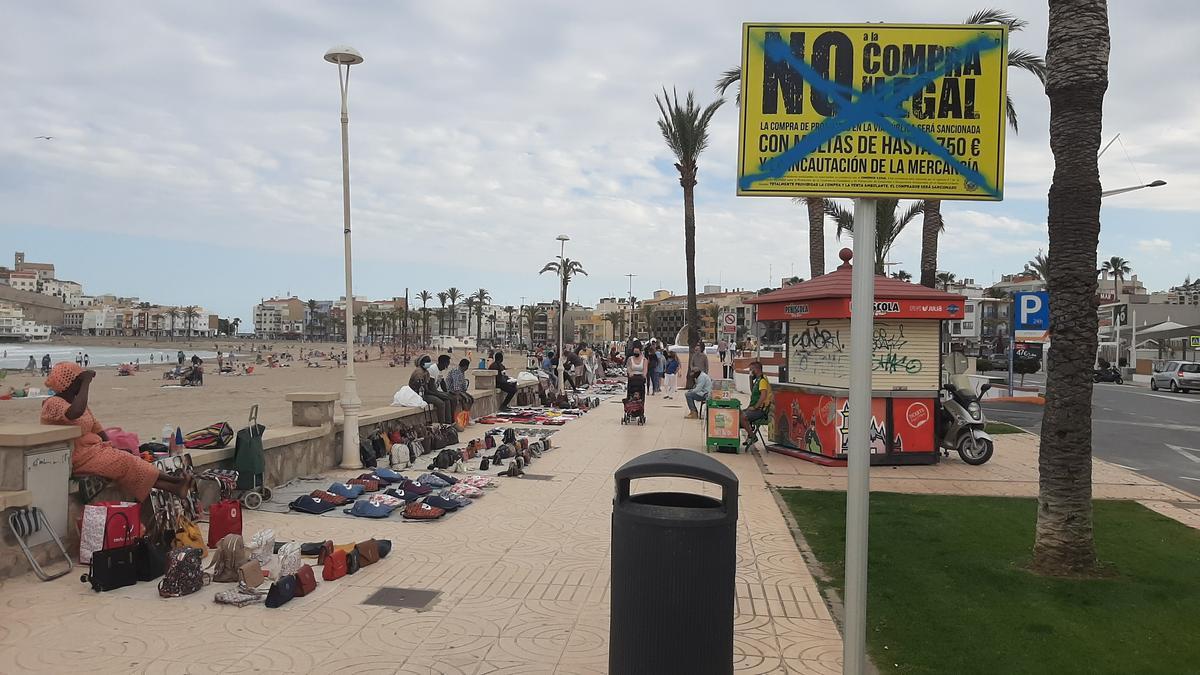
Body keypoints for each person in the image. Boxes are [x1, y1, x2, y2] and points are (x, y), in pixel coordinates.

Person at [40, 363, 192, 500]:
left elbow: (96, 426)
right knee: (125, 462)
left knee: (129, 458)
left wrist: (111, 445)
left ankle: (175, 485)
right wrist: (86, 382)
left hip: (93, 450)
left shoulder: (77, 402)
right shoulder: (53, 403)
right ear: (68, 384)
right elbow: (75, 413)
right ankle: (175, 483)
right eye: (78, 382)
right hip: (77, 457)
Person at [740, 361, 773, 447]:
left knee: (743, 417)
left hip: (760, 410)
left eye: (751, 370)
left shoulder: (762, 380)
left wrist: (755, 407)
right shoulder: (757, 380)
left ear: (756, 369)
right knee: (738, 413)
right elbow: (752, 390)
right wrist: (750, 378)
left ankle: (752, 436)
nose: (750, 371)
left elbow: (763, 396)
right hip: (755, 408)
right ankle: (750, 433)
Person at [409, 355, 450, 424]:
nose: (429, 363)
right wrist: (439, 394)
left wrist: (442, 394)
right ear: (422, 363)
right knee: (440, 403)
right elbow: (425, 390)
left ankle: (448, 422)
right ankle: (442, 424)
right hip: (418, 395)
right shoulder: (419, 372)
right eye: (427, 362)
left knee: (446, 400)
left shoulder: (425, 371)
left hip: (425, 392)